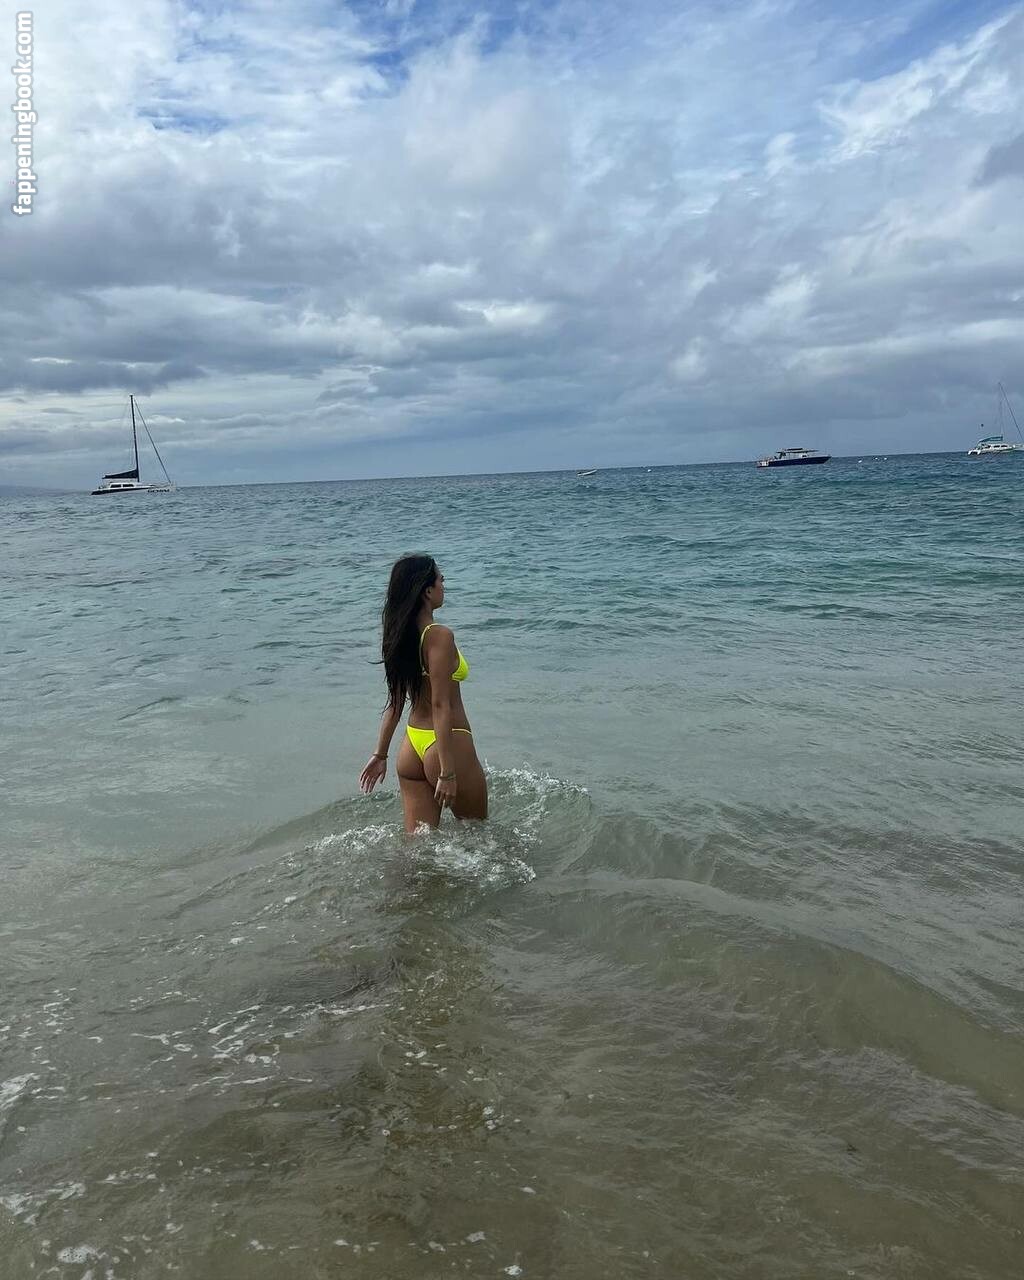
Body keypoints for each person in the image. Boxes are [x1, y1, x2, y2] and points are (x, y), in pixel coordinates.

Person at [359, 554, 488, 832]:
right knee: (479, 833)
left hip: (411, 749)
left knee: (416, 848)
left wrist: (380, 754)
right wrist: (447, 772)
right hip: (445, 745)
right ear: (427, 591)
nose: (444, 584)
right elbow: (441, 705)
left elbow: (395, 704)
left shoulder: (398, 636)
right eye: (441, 579)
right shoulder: (439, 636)